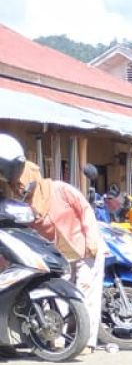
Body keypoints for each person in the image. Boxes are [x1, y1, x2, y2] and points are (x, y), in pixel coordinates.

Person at [0, 135, 106, 353]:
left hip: (85, 246)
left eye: (20, 182)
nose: (19, 188)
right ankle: (57, 339)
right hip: (59, 255)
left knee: (87, 292)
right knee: (58, 296)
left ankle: (87, 342)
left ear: (31, 175)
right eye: (14, 185)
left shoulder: (60, 189)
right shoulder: (25, 207)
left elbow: (85, 210)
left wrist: (91, 239)